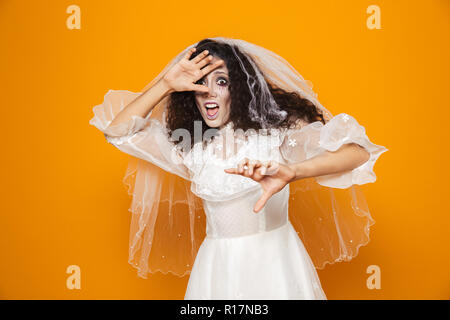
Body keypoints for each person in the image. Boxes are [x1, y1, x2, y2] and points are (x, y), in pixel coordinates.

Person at [89, 37, 388, 299]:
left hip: (275, 265)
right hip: (216, 271)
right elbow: (117, 132)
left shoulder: (276, 136)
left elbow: (357, 153)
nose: (209, 92)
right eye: (200, 82)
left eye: (221, 81)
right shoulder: (191, 150)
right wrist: (166, 84)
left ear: (242, 88)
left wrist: (293, 172)